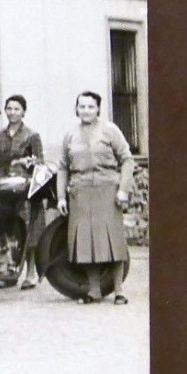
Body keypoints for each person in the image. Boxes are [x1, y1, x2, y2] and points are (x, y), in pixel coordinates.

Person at [56, 91, 136, 305]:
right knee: (86, 242)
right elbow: (63, 167)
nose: (86, 111)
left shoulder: (110, 130)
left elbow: (127, 160)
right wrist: (61, 197)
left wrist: (123, 190)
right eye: (82, 106)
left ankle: (119, 290)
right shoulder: (70, 135)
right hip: (80, 193)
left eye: (90, 107)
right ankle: (94, 290)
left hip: (108, 191)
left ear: (98, 109)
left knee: (113, 241)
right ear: (76, 109)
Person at [0, 95, 47, 290]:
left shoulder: (31, 135)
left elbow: (40, 162)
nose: (12, 112)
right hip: (2, 187)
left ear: (23, 112)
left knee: (27, 229)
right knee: (2, 228)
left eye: (17, 109)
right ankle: (6, 269)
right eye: (9, 108)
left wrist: (28, 163)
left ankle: (30, 273)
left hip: (24, 188)